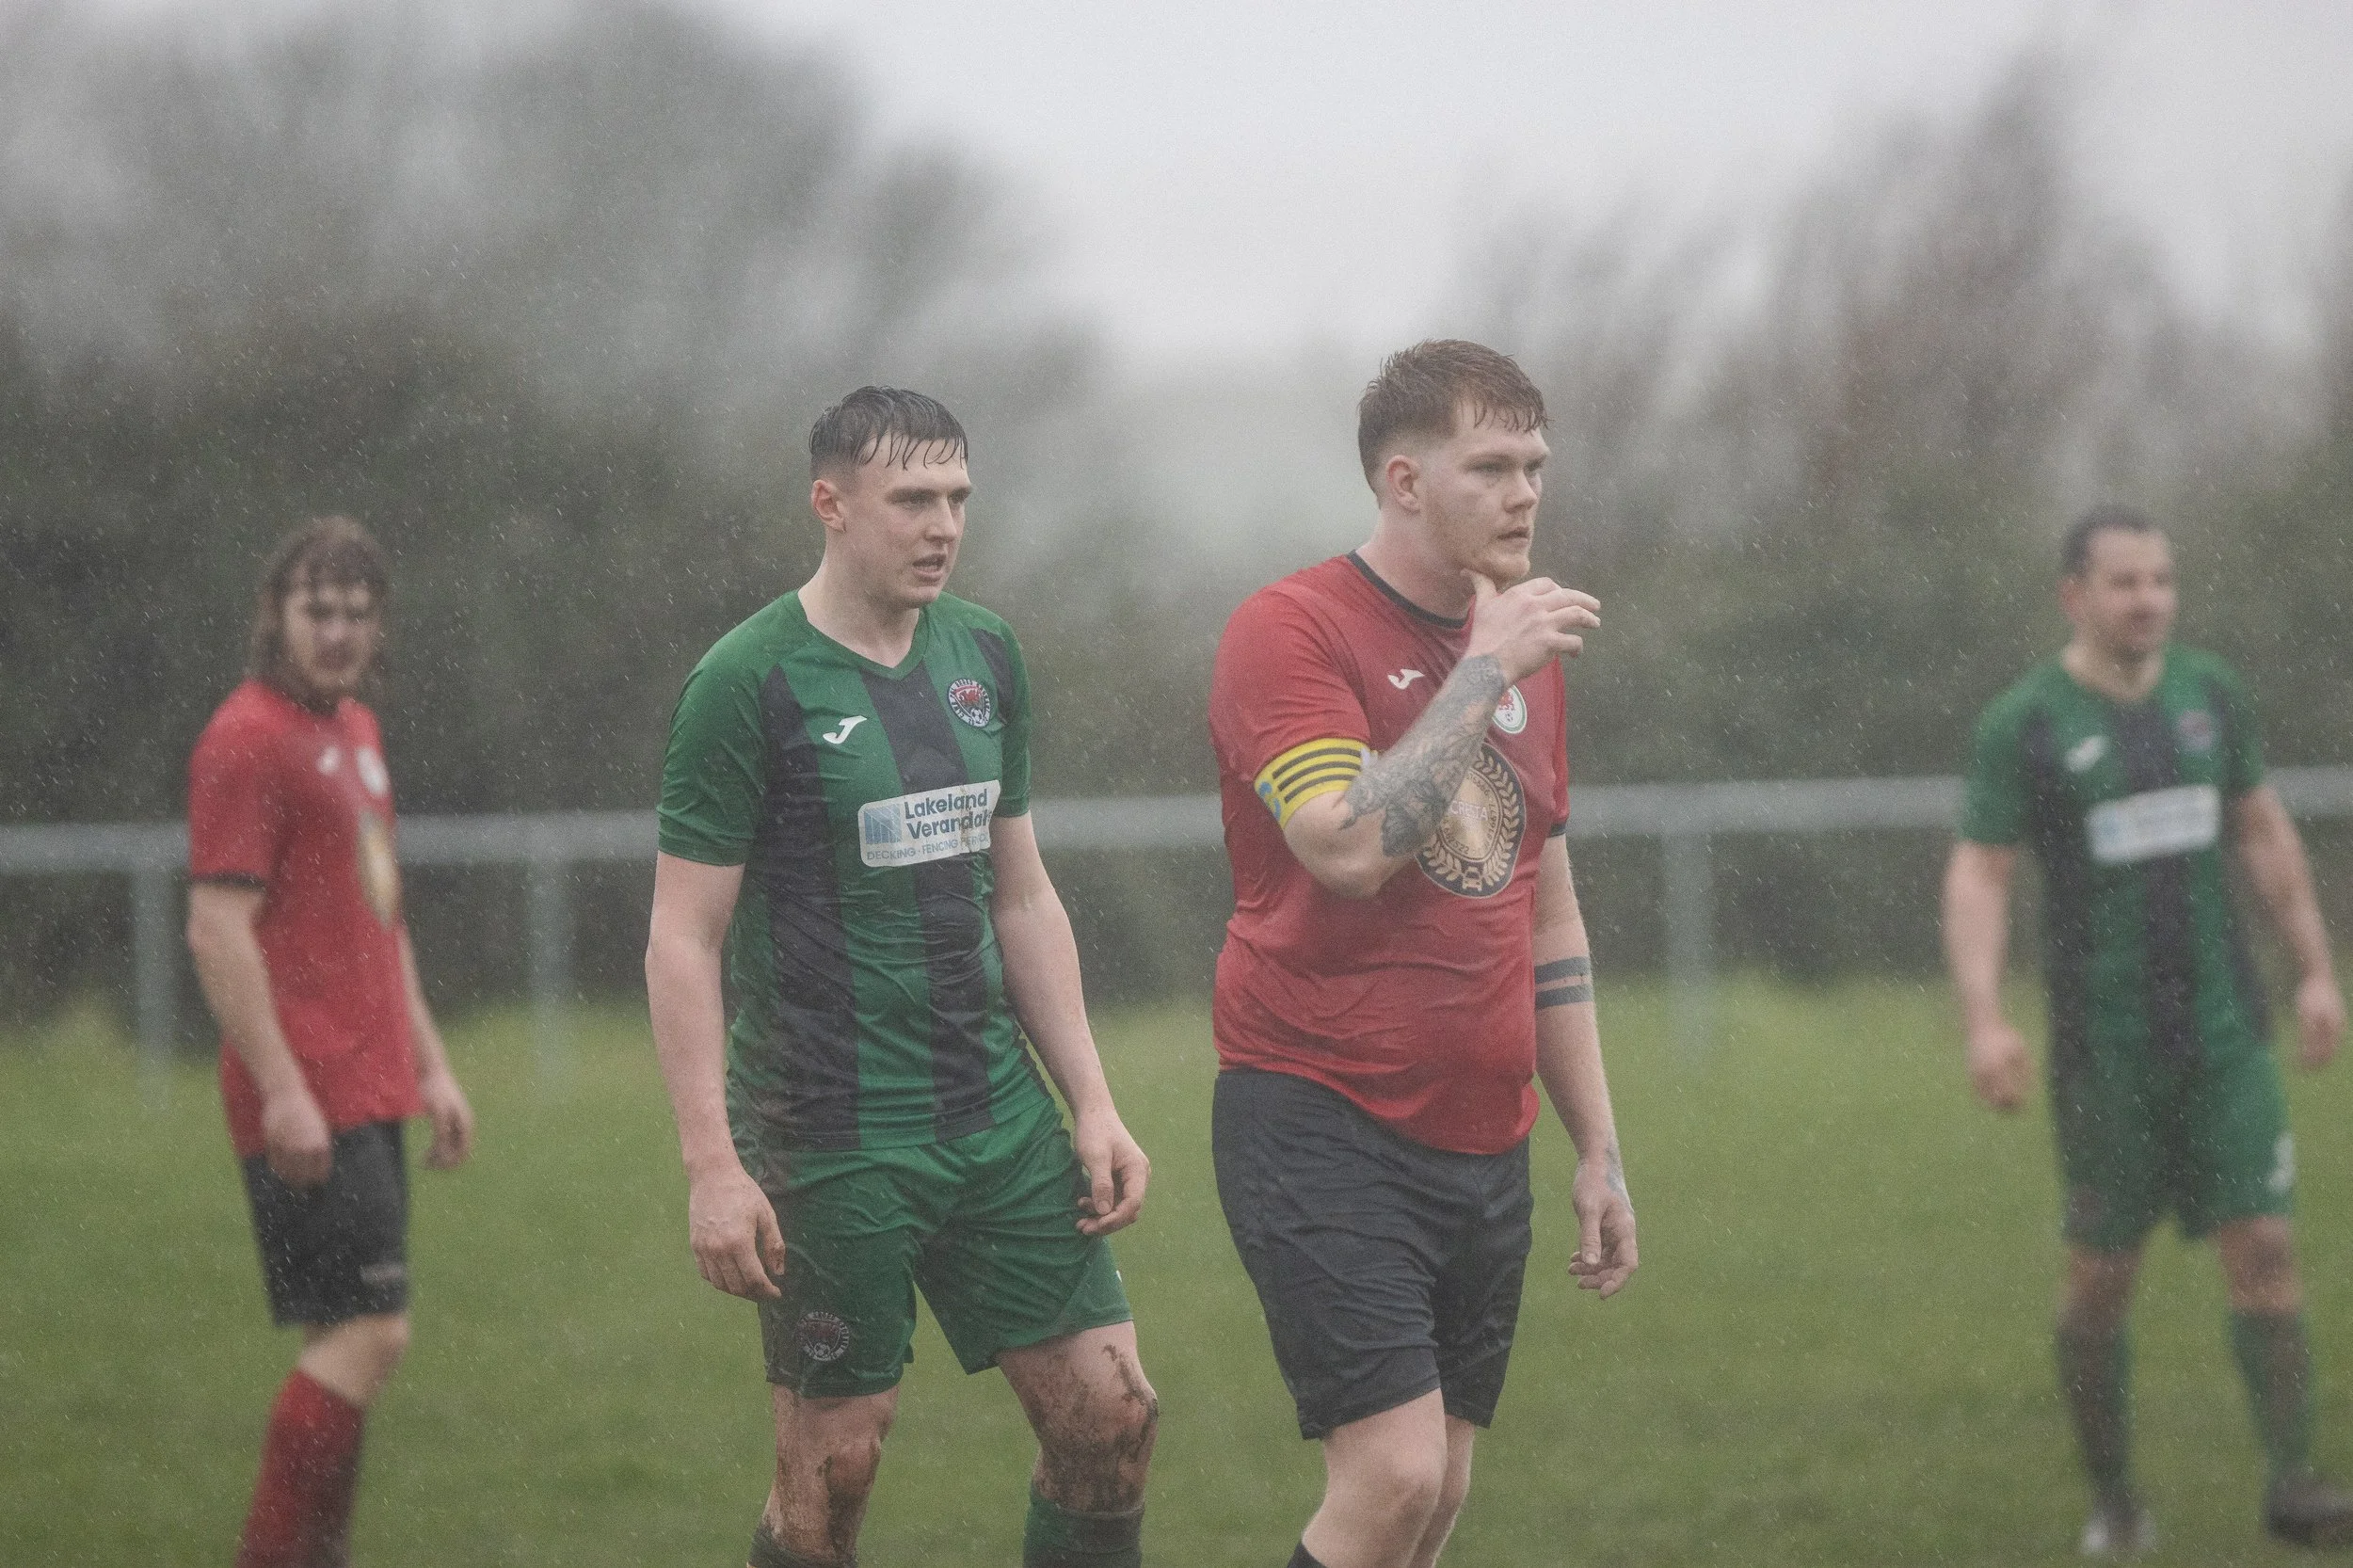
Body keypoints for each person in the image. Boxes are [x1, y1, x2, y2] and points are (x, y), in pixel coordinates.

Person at [646, 386, 1158, 1568]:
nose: (942, 525)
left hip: (996, 1114)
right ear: (828, 505)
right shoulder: (747, 681)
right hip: (830, 1130)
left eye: (957, 499)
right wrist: (712, 1167)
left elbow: (1020, 891)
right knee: (837, 1472)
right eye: (911, 499)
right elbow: (682, 936)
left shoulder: (984, 653)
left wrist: (1092, 1098)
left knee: (1113, 1418)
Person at [1206, 340, 1637, 1568]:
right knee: (1389, 1478)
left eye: (1536, 464)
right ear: (1402, 481)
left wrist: (1597, 1144)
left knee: (1436, 1495)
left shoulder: (1525, 656)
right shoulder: (1289, 629)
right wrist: (1483, 668)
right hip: (1320, 1112)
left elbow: (1545, 913)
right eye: (1489, 465)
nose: (1524, 492)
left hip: (1484, 1133)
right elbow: (1346, 847)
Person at [1944, 504, 2353, 1555]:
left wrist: (2314, 969)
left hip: (2225, 1034)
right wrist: (1984, 1019)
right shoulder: (2026, 723)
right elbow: (1981, 874)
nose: (2149, 600)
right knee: (2099, 1281)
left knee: (2263, 1246)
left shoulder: (2211, 696)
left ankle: (2294, 1483)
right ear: (2074, 595)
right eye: (2126, 582)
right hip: (2103, 1054)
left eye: (2162, 579)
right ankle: (2115, 1495)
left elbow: (2260, 830)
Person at [185, 516, 475, 1568]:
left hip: (369, 1081)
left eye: (358, 613)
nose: (340, 632)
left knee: (343, 1336)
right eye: (319, 610)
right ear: (277, 613)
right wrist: (282, 1090)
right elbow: (216, 927)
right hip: (308, 1091)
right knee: (370, 1333)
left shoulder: (354, 729)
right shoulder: (246, 738)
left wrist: (433, 1064)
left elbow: (379, 916)